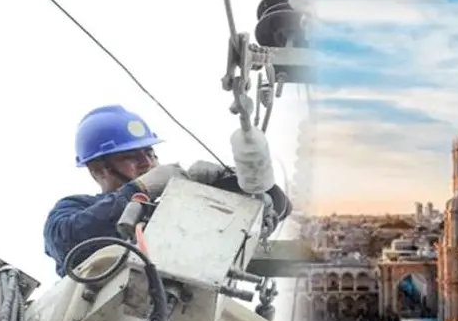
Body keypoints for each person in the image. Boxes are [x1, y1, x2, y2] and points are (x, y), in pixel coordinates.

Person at [44, 105, 292, 277]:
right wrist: (140, 189)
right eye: (131, 156)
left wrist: (244, 198)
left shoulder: (174, 208)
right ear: (99, 169)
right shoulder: (73, 208)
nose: (147, 162)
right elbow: (67, 242)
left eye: (150, 153)